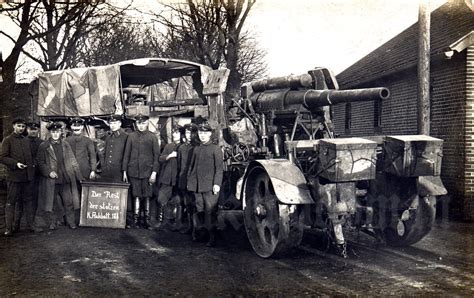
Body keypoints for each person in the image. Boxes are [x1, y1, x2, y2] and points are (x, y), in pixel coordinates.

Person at [37, 122, 83, 230]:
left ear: (60, 132)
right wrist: (49, 172)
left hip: (65, 178)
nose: (56, 134)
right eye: (53, 132)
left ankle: (71, 222)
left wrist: (79, 176)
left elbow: (73, 160)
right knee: (52, 202)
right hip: (52, 179)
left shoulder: (65, 144)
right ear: (50, 133)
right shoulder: (44, 146)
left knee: (69, 202)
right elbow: (40, 162)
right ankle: (53, 222)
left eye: (57, 132)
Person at [187, 122, 223, 247]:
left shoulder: (216, 149)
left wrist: (217, 184)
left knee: (210, 212)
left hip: (210, 187)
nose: (202, 136)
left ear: (210, 134)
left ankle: (212, 238)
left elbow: (219, 169)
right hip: (197, 186)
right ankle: (201, 235)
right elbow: (192, 167)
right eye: (200, 133)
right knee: (199, 210)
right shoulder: (196, 149)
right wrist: (190, 183)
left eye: (205, 133)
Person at [0, 118, 38, 236]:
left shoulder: (26, 140)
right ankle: (9, 228)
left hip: (27, 177)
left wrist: (33, 165)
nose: (21, 128)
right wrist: (16, 164)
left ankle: (30, 225)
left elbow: (32, 156)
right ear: (13, 126)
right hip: (14, 177)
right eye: (19, 126)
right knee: (11, 202)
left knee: (28, 201)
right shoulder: (7, 140)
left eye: (22, 126)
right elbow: (2, 157)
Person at [122, 115, 159, 229]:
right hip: (133, 171)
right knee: (136, 194)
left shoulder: (152, 137)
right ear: (136, 124)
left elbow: (156, 156)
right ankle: (136, 219)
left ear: (147, 123)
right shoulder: (131, 137)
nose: (141, 126)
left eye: (143, 123)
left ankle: (146, 220)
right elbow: (126, 154)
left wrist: (154, 172)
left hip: (147, 172)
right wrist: (124, 170)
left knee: (147, 195)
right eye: (139, 123)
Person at [13, 121, 42, 232]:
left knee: (33, 200)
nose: (33, 131)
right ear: (27, 130)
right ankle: (16, 224)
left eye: (35, 129)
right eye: (30, 129)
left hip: (37, 175)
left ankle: (31, 223)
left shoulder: (42, 142)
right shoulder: (23, 141)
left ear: (38, 130)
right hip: (23, 174)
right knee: (19, 199)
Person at [156, 126, 181, 230]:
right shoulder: (168, 146)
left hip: (178, 179)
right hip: (167, 178)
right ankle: (163, 222)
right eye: (173, 132)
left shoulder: (184, 147)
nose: (174, 135)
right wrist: (169, 156)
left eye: (177, 133)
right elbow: (160, 158)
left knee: (178, 201)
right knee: (161, 199)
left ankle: (176, 223)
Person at [177, 123, 195, 234]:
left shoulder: (197, 147)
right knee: (187, 203)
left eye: (191, 133)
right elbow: (180, 165)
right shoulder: (182, 148)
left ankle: (196, 228)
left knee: (195, 205)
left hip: (194, 181)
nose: (189, 135)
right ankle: (190, 226)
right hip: (183, 179)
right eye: (187, 132)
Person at [100, 115, 128, 182]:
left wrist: (125, 171)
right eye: (111, 123)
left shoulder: (126, 137)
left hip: (119, 171)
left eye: (115, 123)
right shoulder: (108, 138)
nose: (112, 125)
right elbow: (104, 154)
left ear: (120, 124)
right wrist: (104, 166)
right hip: (107, 171)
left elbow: (127, 155)